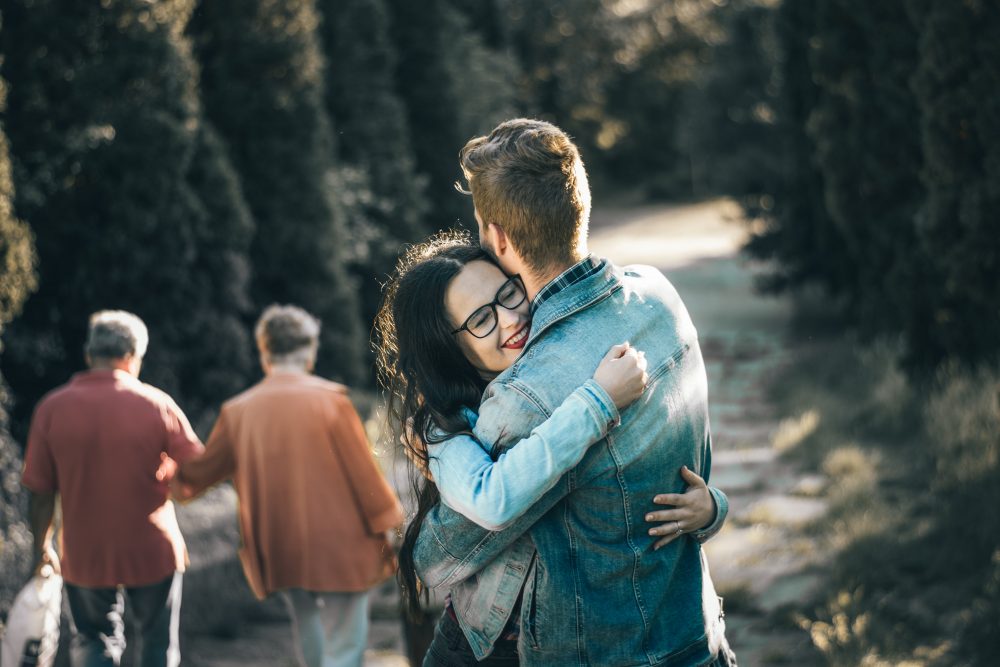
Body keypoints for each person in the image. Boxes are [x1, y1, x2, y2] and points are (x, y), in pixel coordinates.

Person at [407, 119, 737, 666]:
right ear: (580, 204)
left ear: (498, 238)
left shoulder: (523, 396)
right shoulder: (660, 297)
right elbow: (692, 466)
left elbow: (439, 557)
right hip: (692, 637)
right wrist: (714, 508)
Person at [167, 305, 403, 667]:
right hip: (343, 542)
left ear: (265, 351)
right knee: (345, 641)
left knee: (307, 625)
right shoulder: (332, 401)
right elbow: (363, 475)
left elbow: (194, 478)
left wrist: (156, 470)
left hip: (281, 546)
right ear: (309, 350)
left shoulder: (238, 411)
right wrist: (388, 523)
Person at [21, 310, 203, 667]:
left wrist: (41, 546)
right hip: (152, 549)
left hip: (85, 552)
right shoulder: (158, 404)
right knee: (156, 644)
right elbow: (197, 475)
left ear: (89, 354)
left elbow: (41, 492)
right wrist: (171, 479)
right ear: (134, 357)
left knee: (92, 641)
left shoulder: (52, 408)